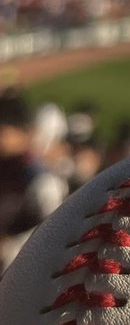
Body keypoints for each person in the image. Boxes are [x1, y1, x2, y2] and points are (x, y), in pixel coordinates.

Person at [0, 87, 67, 272]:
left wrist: (10, 245)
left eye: (3, 130)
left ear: (21, 132)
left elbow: (50, 238)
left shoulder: (42, 181)